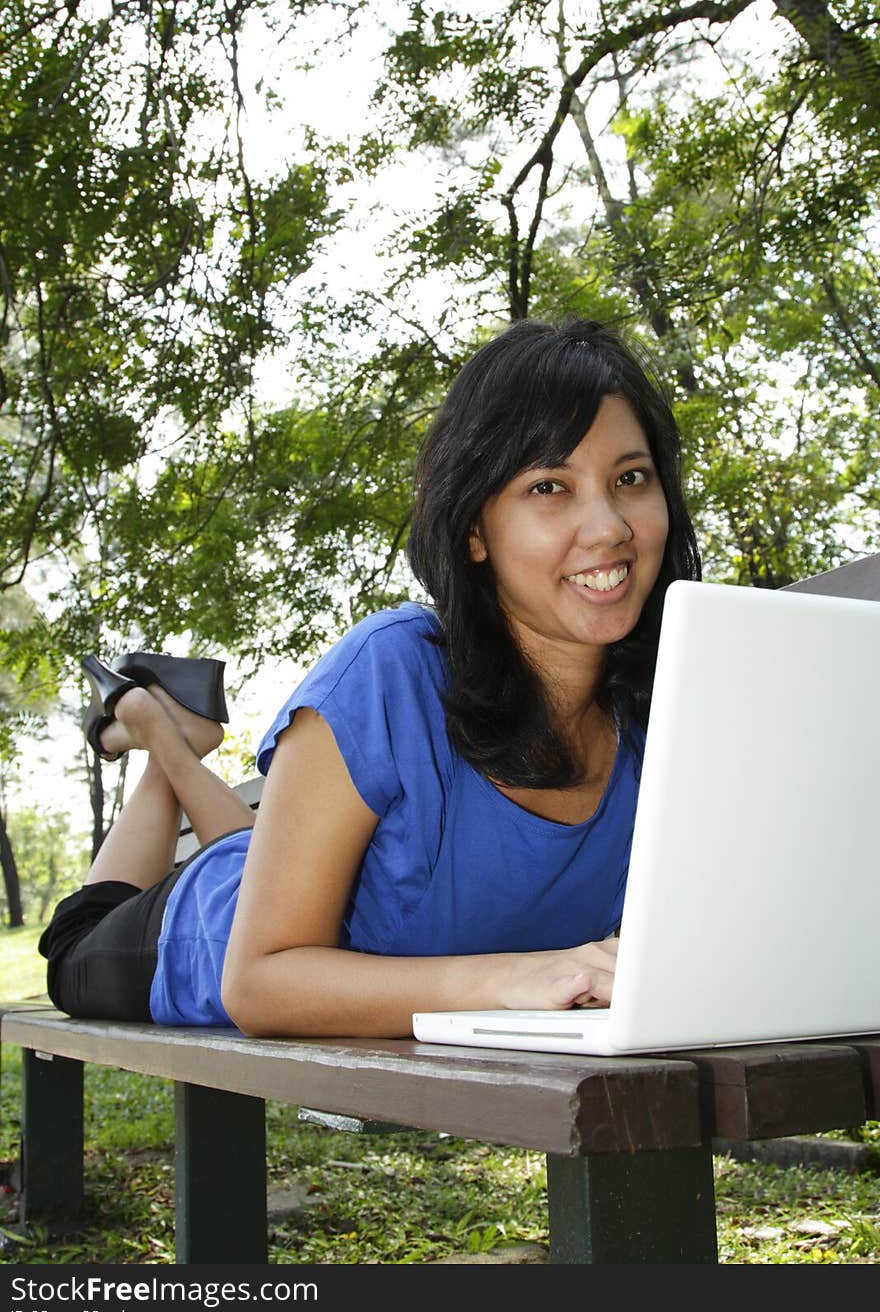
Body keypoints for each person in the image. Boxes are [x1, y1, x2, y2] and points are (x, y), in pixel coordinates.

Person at [39, 317, 701, 1038]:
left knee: (251, 850)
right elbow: (256, 981)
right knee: (74, 939)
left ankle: (160, 733)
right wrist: (512, 976)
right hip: (193, 937)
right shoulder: (391, 670)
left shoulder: (663, 710)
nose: (609, 526)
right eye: (549, 486)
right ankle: (154, 731)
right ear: (473, 531)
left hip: (290, 867)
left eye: (630, 478)